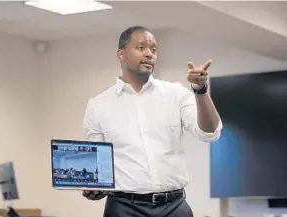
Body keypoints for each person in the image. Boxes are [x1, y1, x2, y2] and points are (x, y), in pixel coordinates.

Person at [82, 26, 223, 217]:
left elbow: (210, 132)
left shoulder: (176, 94)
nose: (149, 54)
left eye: (154, 50)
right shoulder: (98, 105)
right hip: (124, 208)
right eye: (141, 48)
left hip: (174, 207)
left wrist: (200, 90)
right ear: (121, 55)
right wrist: (92, 186)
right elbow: (97, 164)